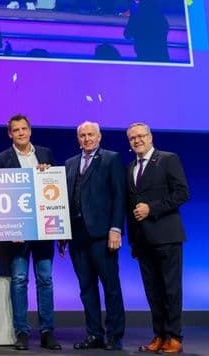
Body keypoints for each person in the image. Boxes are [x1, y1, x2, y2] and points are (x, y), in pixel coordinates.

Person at [0, 115, 61, 351]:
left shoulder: (45, 153)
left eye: (24, 129)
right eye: (16, 130)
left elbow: (55, 190)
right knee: (19, 281)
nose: (21, 133)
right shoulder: (0, 159)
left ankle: (47, 331)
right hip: (18, 231)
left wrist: (47, 172)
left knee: (46, 280)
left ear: (30, 130)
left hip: (43, 228)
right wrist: (10, 227)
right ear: (10, 134)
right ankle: (21, 332)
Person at [59, 121, 126, 351]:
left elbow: (119, 197)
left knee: (110, 287)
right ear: (78, 139)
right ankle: (94, 334)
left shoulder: (111, 159)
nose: (87, 139)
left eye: (91, 135)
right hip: (77, 236)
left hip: (102, 234)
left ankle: (115, 336)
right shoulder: (69, 163)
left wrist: (116, 228)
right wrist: (62, 235)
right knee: (86, 288)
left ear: (99, 137)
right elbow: (64, 201)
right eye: (82, 135)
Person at [125, 123, 189, 355]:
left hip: (167, 236)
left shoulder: (168, 159)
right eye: (132, 137)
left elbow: (182, 193)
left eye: (141, 136)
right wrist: (133, 241)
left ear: (151, 137)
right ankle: (159, 335)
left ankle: (174, 336)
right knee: (152, 291)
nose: (137, 140)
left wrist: (152, 209)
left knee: (170, 290)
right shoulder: (130, 167)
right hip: (143, 241)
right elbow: (129, 208)